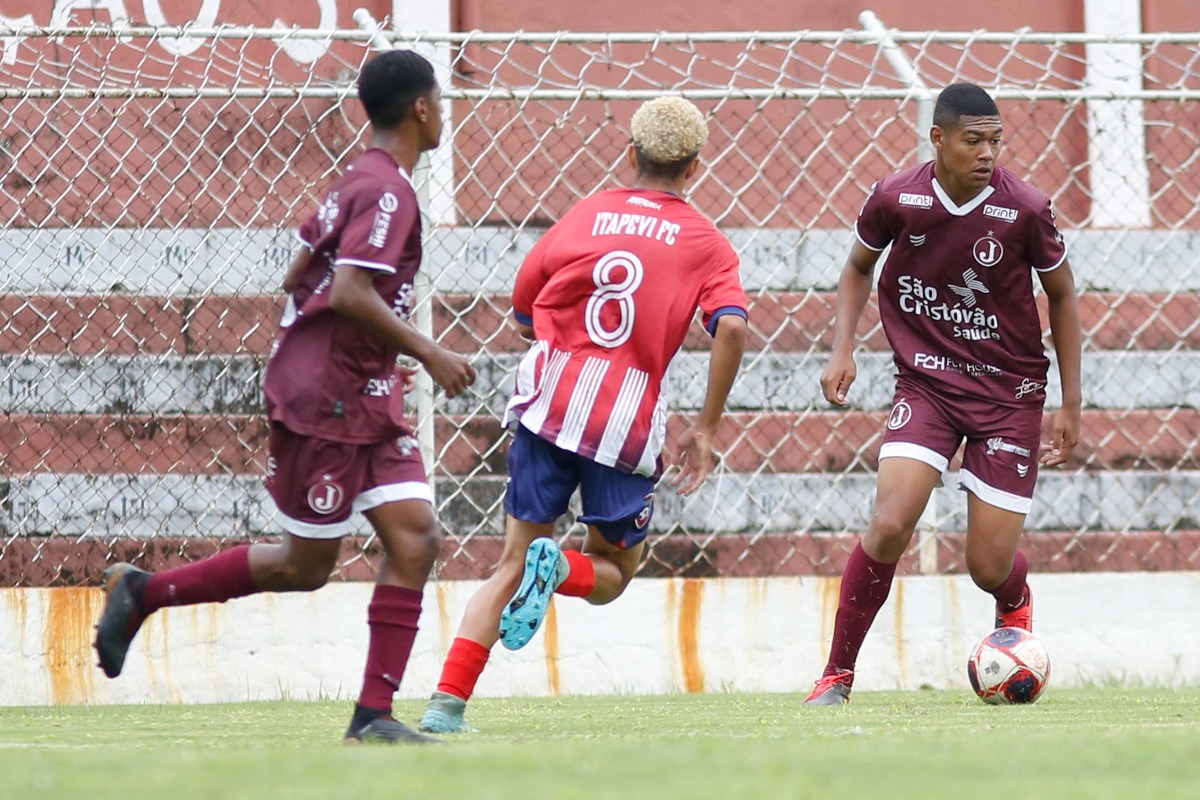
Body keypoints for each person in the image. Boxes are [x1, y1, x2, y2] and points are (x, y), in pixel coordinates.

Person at [93, 49, 477, 743]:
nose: (444, 111)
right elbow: (349, 290)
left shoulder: (358, 182)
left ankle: (373, 718)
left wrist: (379, 360)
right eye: (440, 100)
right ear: (421, 108)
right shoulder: (387, 190)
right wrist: (427, 350)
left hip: (363, 393)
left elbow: (300, 271)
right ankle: (143, 593)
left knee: (416, 537)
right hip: (328, 402)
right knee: (304, 565)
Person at [416, 96, 749, 734]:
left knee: (511, 562)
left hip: (549, 400)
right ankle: (561, 569)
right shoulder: (706, 241)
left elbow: (522, 310)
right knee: (615, 570)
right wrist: (706, 428)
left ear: (630, 154)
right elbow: (730, 328)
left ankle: (445, 706)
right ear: (694, 168)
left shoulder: (588, 211)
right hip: (623, 419)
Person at [802, 83, 1082, 706]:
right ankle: (836, 676)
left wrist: (1070, 403)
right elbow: (856, 267)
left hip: (1010, 396)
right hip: (927, 383)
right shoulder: (896, 196)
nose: (987, 152)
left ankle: (1013, 599)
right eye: (973, 140)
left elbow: (1062, 296)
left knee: (985, 566)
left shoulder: (1027, 209)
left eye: (995, 141)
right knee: (890, 523)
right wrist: (842, 346)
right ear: (939, 139)